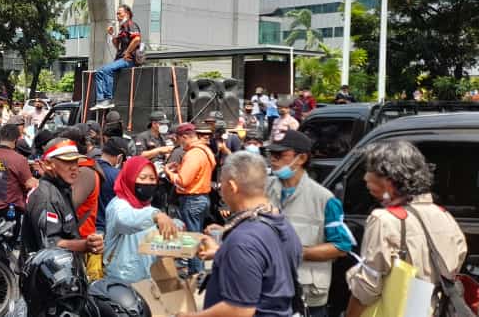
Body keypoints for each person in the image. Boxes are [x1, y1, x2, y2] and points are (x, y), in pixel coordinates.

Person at [344, 140, 468, 317]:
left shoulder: (383, 220)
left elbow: (367, 287)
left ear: (389, 180)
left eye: (370, 171)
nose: (365, 178)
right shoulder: (444, 215)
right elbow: (457, 260)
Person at [180, 151, 303, 317]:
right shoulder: (281, 223)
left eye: (220, 184)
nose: (219, 189)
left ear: (232, 186)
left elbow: (239, 310)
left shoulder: (243, 241)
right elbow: (268, 267)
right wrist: (220, 253)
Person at [265, 130, 353, 316]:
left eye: (280, 155)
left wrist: (296, 252)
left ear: (302, 158)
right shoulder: (263, 189)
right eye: (271, 154)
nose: (273, 159)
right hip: (268, 291)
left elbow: (341, 246)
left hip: (307, 296)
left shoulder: (324, 199)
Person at [22, 138, 105, 258]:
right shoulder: (45, 197)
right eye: (67, 162)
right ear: (49, 164)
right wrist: (85, 245)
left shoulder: (62, 189)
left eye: (75, 161)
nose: (74, 167)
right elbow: (50, 245)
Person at [104, 156, 178, 283]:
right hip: (122, 279)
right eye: (142, 178)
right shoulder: (119, 205)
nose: (148, 183)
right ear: (129, 178)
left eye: (152, 179)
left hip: (146, 277)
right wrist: (157, 215)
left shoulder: (145, 205)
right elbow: (125, 220)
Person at [161, 123, 216, 275]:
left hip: (193, 199)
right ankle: (197, 271)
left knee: (192, 238)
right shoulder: (205, 150)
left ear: (185, 137)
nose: (179, 145)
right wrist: (180, 169)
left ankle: (196, 273)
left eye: (179, 141)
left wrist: (168, 172)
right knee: (195, 236)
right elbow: (199, 173)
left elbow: (183, 181)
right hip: (202, 198)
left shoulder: (193, 154)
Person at [0, 122, 38, 220]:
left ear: (0, 137)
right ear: (16, 140)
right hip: (9, 212)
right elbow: (29, 185)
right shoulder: (19, 159)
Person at [91, 4, 141, 110]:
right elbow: (117, 46)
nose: (117, 15)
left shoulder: (130, 24)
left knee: (106, 69)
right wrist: (112, 34)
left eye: (119, 13)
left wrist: (127, 52)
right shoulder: (122, 28)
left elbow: (137, 39)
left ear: (126, 14)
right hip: (121, 59)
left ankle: (109, 99)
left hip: (129, 60)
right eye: (117, 13)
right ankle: (101, 100)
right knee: (99, 72)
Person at [95, 137, 127, 234]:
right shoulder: (117, 175)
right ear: (120, 157)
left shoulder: (87, 167)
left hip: (84, 227)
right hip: (104, 228)